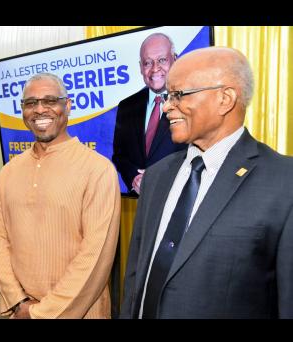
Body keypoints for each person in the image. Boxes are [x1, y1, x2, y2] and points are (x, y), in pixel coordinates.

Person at [120, 46, 293, 319]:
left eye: (178, 95)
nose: (166, 106)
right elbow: (135, 275)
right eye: (167, 95)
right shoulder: (156, 175)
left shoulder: (285, 182)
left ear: (225, 99)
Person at [0, 73, 121, 319]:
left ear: (67, 106)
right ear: (23, 111)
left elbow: (94, 258)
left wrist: (41, 313)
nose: (40, 110)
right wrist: (18, 301)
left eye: (50, 101)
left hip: (81, 312)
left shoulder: (98, 170)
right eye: (31, 103)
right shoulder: (8, 172)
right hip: (21, 311)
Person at [112, 33, 187, 196]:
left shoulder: (191, 101)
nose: (154, 69)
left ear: (175, 59)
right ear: (140, 67)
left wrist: (159, 179)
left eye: (161, 60)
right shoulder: (126, 107)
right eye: (147, 62)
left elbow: (199, 152)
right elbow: (119, 155)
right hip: (142, 207)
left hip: (181, 202)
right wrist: (134, 178)